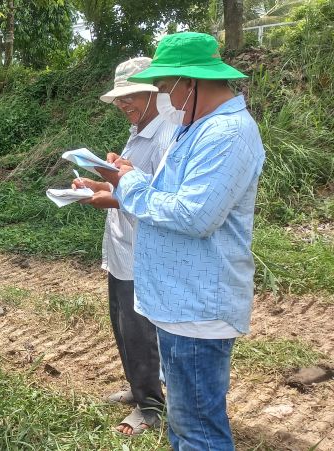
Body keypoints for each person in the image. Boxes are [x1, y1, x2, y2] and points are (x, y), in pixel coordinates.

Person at [96, 32, 265, 450]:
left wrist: (130, 181)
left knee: (197, 429)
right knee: (187, 424)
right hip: (178, 302)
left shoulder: (226, 134)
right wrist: (132, 179)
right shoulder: (198, 129)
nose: (164, 96)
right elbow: (174, 195)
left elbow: (194, 214)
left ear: (190, 83)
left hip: (197, 307)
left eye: (167, 85)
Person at [72, 57, 173, 436]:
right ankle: (138, 388)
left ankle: (150, 407)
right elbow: (128, 184)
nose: (123, 105)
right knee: (122, 325)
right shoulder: (139, 129)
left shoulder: (166, 135)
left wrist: (109, 197)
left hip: (143, 250)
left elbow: (158, 199)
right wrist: (101, 185)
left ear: (153, 91)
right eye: (119, 98)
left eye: (130, 96)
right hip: (121, 250)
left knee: (140, 332)